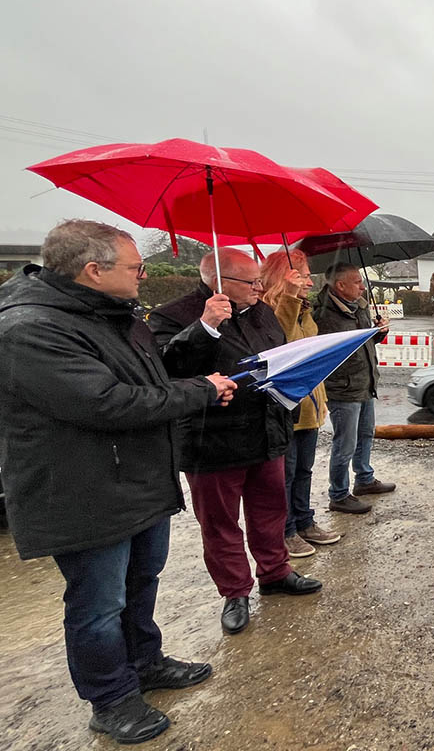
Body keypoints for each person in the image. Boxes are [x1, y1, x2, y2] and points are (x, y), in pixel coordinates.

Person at [0, 221, 237, 745]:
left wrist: (199, 373)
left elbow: (150, 380)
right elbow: (103, 403)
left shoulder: (112, 316)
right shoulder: (31, 328)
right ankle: (110, 697)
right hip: (84, 492)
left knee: (140, 583)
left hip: (136, 480)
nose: (144, 276)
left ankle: (144, 663)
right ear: (94, 271)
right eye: (136, 268)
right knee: (97, 603)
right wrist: (199, 391)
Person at [149, 249, 322, 636]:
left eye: (260, 280)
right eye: (251, 282)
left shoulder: (261, 312)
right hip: (212, 440)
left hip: (266, 430)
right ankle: (235, 592)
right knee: (221, 523)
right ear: (219, 282)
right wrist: (205, 326)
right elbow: (166, 368)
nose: (260, 287)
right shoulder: (175, 314)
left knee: (270, 511)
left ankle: (275, 572)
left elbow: (279, 354)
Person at [260, 250, 341, 558]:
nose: (310, 281)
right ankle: (287, 530)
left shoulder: (304, 308)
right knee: (287, 473)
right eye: (303, 275)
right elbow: (283, 346)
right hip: (286, 408)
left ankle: (305, 521)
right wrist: (290, 298)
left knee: (304, 470)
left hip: (309, 406)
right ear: (285, 276)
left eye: (308, 275)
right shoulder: (270, 308)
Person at [312, 261, 395, 515]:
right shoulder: (322, 315)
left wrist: (378, 332)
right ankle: (338, 494)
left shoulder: (358, 306)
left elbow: (364, 341)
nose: (362, 286)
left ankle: (364, 479)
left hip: (365, 382)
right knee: (345, 443)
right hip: (343, 388)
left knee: (365, 435)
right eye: (357, 282)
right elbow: (326, 352)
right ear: (340, 285)